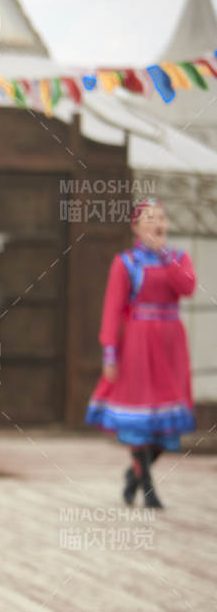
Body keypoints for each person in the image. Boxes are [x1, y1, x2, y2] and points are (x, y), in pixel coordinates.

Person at [84, 198, 197, 507]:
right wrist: (109, 352)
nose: (156, 223)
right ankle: (147, 487)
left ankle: (133, 475)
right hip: (137, 344)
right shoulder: (126, 262)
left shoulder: (177, 258)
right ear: (135, 226)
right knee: (139, 419)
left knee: (166, 421)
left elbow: (186, 287)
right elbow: (112, 309)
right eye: (149, 218)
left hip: (172, 344)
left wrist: (162, 254)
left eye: (161, 217)